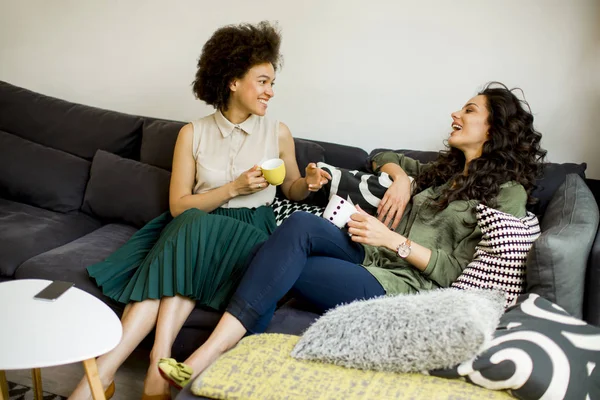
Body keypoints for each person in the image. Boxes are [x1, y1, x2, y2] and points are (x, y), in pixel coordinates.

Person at [157, 82, 547, 387]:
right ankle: (222, 348)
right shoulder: (445, 170)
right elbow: (381, 156)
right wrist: (401, 181)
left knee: (285, 263)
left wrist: (391, 239)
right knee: (299, 226)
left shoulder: (506, 194)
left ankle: (212, 352)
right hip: (373, 256)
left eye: (468, 110)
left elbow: (458, 274)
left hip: (405, 287)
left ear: (492, 128)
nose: (455, 113)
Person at [68, 21, 330, 400]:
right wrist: (233, 188)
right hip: (193, 224)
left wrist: (306, 183)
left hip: (248, 232)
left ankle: (103, 377)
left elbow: (290, 188)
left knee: (186, 237)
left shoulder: (278, 132)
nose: (270, 92)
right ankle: (137, 370)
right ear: (232, 81)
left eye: (273, 83)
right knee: (190, 226)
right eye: (262, 81)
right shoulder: (192, 133)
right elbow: (178, 205)